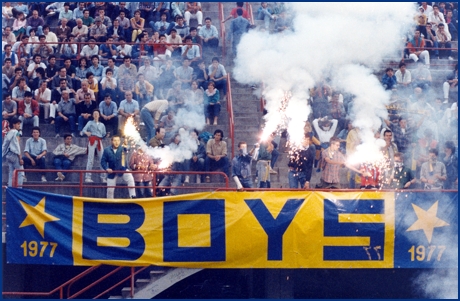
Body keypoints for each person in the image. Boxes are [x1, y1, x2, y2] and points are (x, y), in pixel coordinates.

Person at [82, 109, 107, 183]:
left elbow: (103, 134)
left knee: (102, 159)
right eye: (94, 114)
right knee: (90, 159)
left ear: (99, 115)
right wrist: (87, 133)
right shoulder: (90, 122)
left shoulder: (102, 125)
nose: (96, 115)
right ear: (93, 115)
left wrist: (105, 135)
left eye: (97, 114)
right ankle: (88, 177)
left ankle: (103, 177)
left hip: (99, 140)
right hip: (92, 140)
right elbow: (83, 130)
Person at [2, 117, 25, 187]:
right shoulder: (16, 132)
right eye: (18, 124)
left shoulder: (8, 133)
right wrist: (20, 157)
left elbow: (4, 145)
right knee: (20, 173)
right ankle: (19, 189)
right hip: (14, 154)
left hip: (8, 155)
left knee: (11, 173)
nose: (19, 125)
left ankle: (10, 189)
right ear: (13, 125)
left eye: (19, 124)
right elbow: (16, 144)